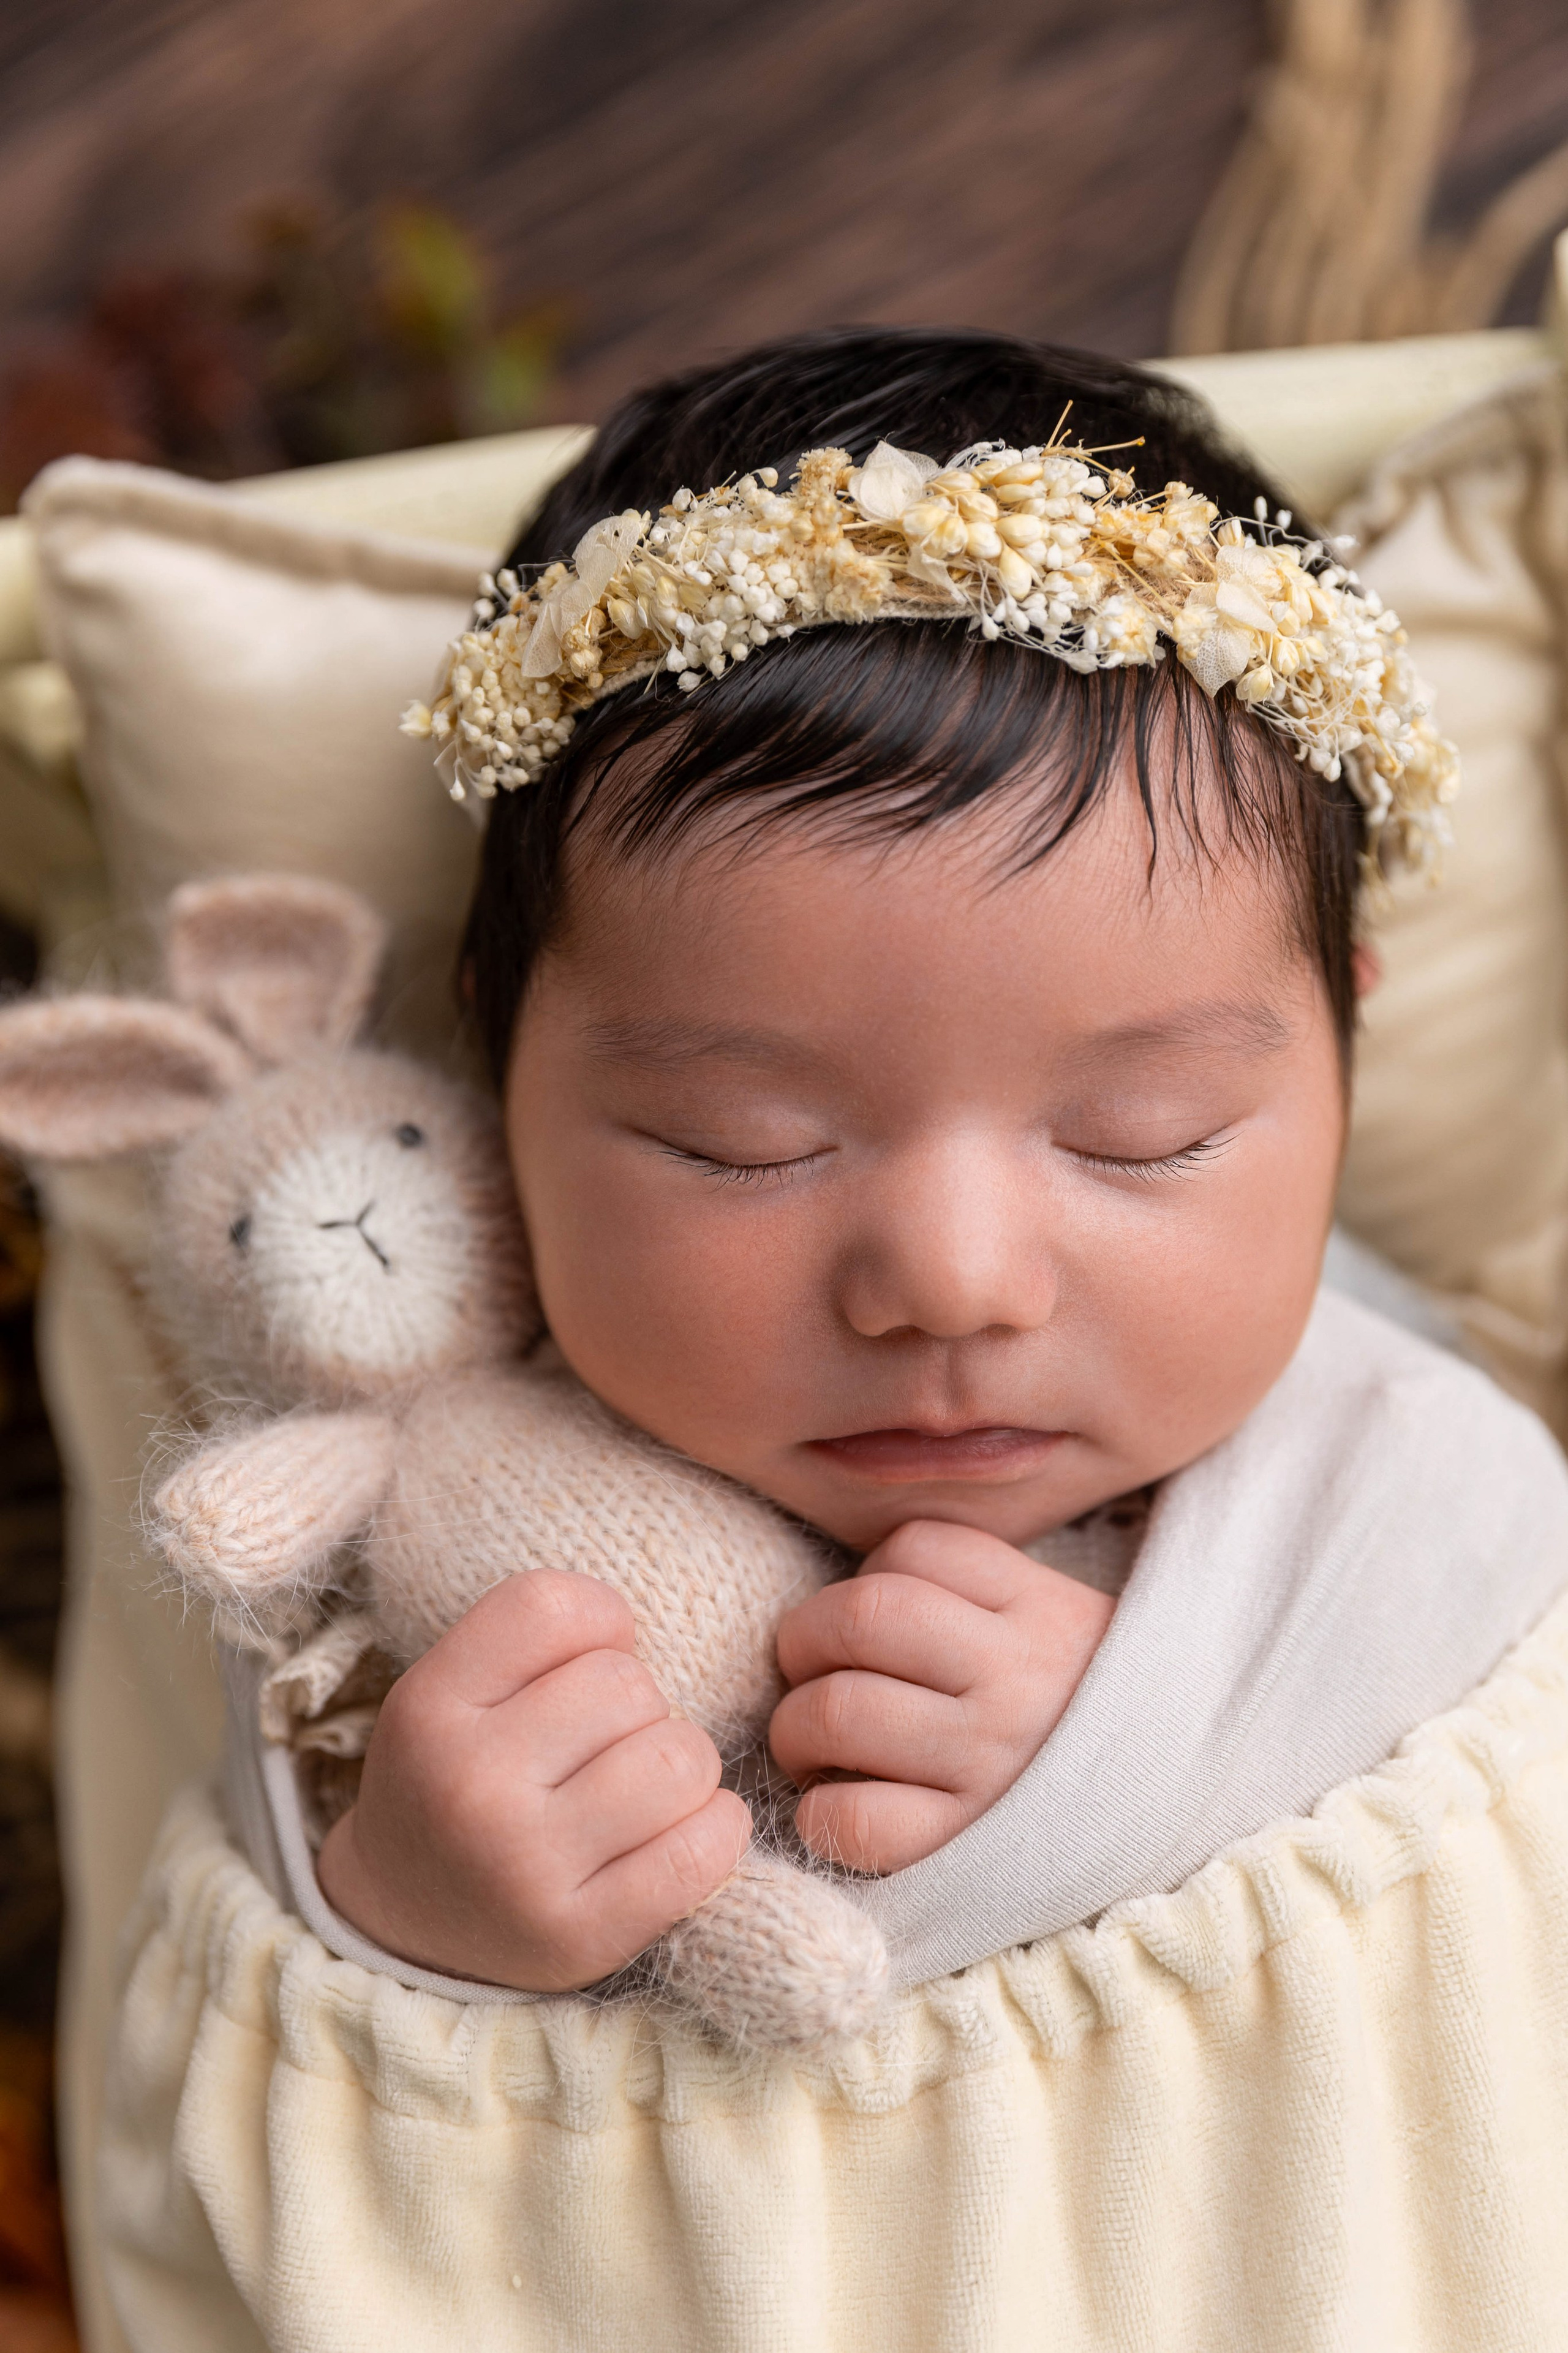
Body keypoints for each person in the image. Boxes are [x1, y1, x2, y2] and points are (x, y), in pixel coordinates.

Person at [94, 330, 1568, 2347]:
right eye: (741, 1138)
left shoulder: (1411, 1490)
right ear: (495, 1067)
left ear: (1344, 1053)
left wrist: (1145, 1738)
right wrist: (413, 1933)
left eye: (1145, 1135)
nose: (951, 1279)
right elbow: (217, 2176)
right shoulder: (435, 1566)